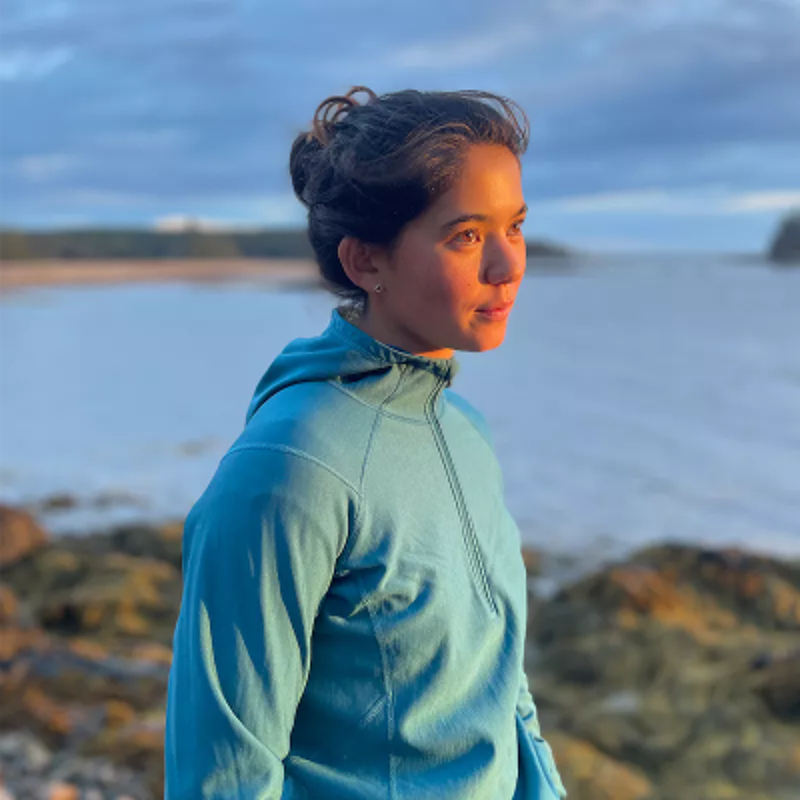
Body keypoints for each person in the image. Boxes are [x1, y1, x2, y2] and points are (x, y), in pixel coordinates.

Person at [164, 86, 567, 799]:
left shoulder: (463, 431)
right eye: (467, 236)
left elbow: (502, 691)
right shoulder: (289, 467)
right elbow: (223, 773)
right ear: (365, 263)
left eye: (516, 226)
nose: (508, 266)